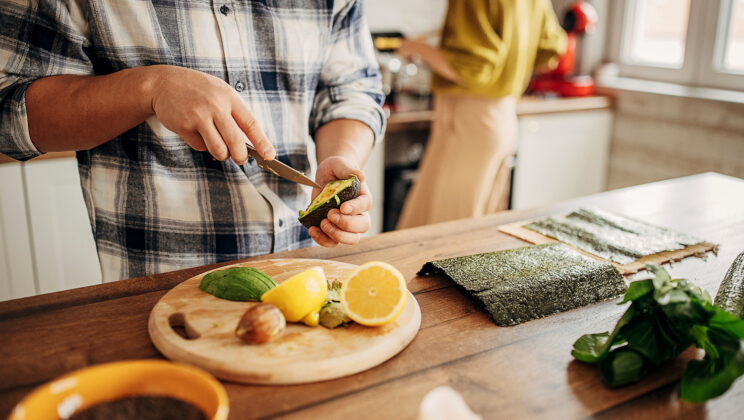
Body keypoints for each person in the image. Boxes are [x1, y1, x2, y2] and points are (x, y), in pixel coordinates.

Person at [0, 1, 385, 282]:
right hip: (158, 286)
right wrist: (150, 87)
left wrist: (340, 160)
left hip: (301, 270)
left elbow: (351, 90)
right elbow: (10, 111)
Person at [395, 0, 566, 229]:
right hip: (504, 117)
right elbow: (550, 50)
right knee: (477, 231)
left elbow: (471, 70)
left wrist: (415, 48)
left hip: (469, 123)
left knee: (444, 235)